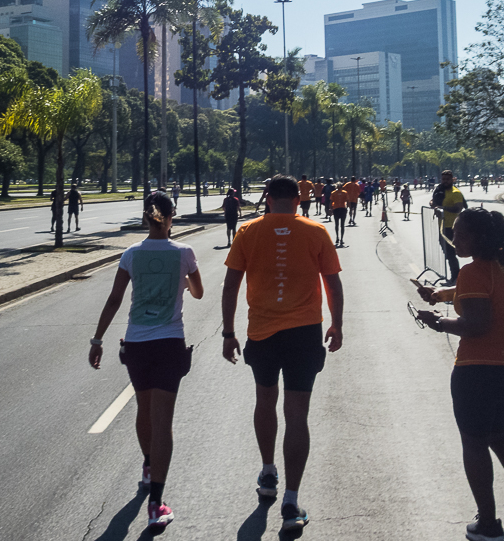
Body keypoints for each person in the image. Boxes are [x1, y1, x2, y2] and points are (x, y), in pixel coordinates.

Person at [413, 208, 504, 541]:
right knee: (499, 434)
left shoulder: (472, 272)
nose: (454, 238)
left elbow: (476, 325)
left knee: (474, 443)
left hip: (479, 373)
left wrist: (438, 321)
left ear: (479, 237)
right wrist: (442, 294)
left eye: (461, 234)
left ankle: (489, 525)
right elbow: (482, 293)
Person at [222, 175, 344, 532]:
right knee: (297, 414)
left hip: (261, 332)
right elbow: (333, 281)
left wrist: (228, 332)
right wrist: (336, 323)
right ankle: (291, 501)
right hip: (304, 333)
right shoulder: (316, 231)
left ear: (267, 197)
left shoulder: (247, 232)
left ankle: (268, 472)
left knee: (265, 401)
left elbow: (231, 284)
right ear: (298, 197)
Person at [90, 191, 203, 533]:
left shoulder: (131, 254)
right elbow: (198, 293)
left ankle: (148, 466)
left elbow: (114, 299)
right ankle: (156, 503)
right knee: (163, 420)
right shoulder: (184, 253)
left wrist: (97, 340)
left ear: (145, 217)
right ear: (172, 218)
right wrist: (181, 281)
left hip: (137, 344)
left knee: (144, 410)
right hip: (169, 343)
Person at [430, 170, 465, 282]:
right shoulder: (441, 191)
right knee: (447, 253)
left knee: (450, 254)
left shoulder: (455, 193)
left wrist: (442, 208)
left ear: (452, 179)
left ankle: (456, 277)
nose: (445, 181)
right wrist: (432, 204)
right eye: (443, 179)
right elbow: (434, 201)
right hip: (442, 227)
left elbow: (458, 208)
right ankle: (455, 276)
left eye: (447, 179)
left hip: (452, 228)